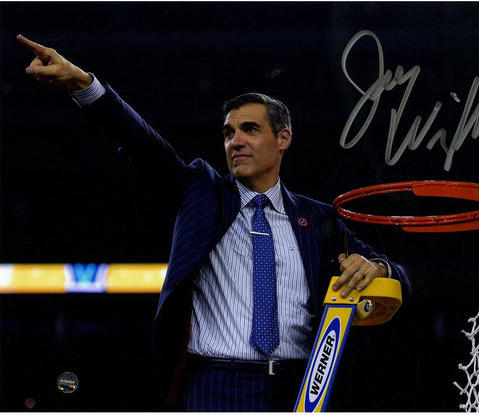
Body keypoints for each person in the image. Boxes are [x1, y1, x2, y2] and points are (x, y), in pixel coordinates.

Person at [17, 34, 412, 411]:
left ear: (284, 138)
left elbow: (400, 278)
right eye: (228, 133)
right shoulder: (201, 193)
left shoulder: (318, 217)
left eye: (250, 130)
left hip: (301, 391)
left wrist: (376, 267)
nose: (234, 141)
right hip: (213, 388)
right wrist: (84, 83)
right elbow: (141, 143)